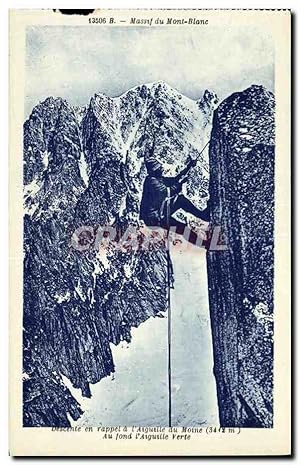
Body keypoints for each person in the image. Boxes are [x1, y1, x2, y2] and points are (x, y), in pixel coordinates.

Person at [140, 156, 210, 245]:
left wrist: (189, 167)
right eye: (159, 168)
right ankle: (204, 244)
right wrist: (180, 184)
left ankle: (204, 215)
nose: (162, 169)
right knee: (183, 228)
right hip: (155, 218)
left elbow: (174, 180)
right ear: (155, 170)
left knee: (180, 200)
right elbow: (168, 192)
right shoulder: (153, 182)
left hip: (158, 213)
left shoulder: (155, 179)